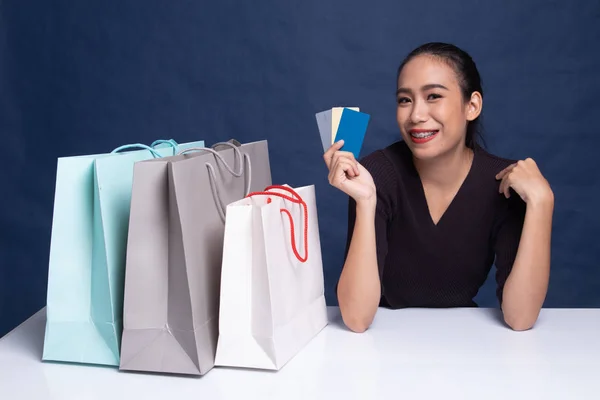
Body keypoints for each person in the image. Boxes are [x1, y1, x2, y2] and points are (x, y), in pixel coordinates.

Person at [323, 42, 554, 333]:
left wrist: (542, 201)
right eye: (405, 100)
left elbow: (520, 318)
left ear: (472, 106)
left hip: (465, 343)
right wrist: (366, 200)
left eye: (433, 96)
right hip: (384, 342)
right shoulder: (374, 175)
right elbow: (356, 319)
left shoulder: (505, 182)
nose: (416, 115)